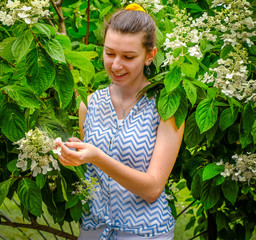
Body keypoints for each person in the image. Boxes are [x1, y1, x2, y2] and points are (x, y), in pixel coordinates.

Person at [56, 3, 184, 240]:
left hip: (146, 233)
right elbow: (93, 176)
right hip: (94, 230)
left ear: (150, 55)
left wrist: (96, 156)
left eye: (128, 57)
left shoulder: (165, 108)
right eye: (110, 53)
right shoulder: (89, 104)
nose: (115, 65)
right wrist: (72, 155)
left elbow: (153, 189)